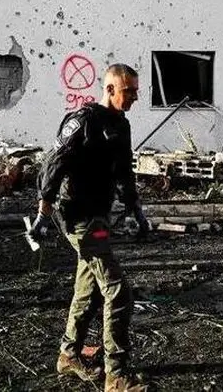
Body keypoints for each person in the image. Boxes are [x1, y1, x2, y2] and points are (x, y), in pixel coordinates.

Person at [31, 63, 150, 392]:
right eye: (128, 91)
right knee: (117, 289)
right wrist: (42, 213)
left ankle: (69, 355)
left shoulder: (120, 125)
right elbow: (53, 164)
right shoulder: (82, 121)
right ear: (110, 89)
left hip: (98, 216)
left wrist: (135, 209)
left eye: (136, 91)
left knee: (90, 287)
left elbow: (123, 171)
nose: (134, 97)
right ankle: (116, 375)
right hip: (78, 217)